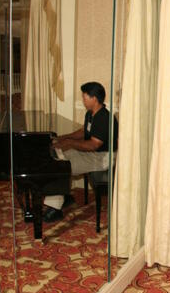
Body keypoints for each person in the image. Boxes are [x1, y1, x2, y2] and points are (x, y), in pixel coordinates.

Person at [43, 81, 118, 222]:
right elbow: (84, 132)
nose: (83, 100)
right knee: (60, 157)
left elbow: (93, 145)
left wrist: (70, 143)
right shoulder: (91, 114)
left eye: (84, 97)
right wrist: (64, 137)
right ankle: (63, 197)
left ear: (94, 98)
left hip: (103, 158)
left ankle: (55, 208)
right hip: (93, 154)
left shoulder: (104, 118)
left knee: (61, 166)